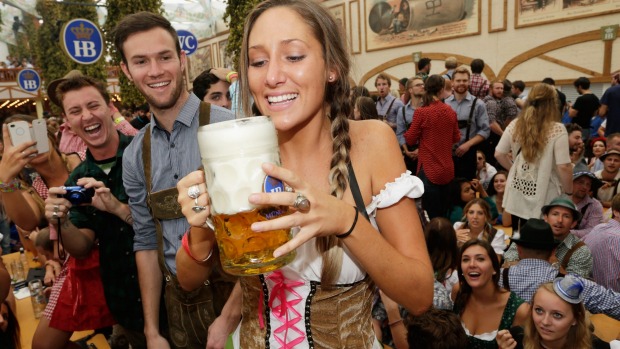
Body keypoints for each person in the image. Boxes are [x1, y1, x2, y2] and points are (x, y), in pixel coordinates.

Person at [174, 1, 434, 347]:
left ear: (332, 67)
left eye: (293, 56)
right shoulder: (235, 150)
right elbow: (188, 281)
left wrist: (347, 221)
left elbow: (419, 296)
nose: (271, 77)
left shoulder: (371, 142)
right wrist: (201, 229)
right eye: (259, 61)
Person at [113, 11, 237, 348]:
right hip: (180, 307)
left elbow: (264, 226)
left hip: (240, 299)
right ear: (126, 71)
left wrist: (229, 317)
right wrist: (153, 331)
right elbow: (145, 242)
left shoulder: (230, 127)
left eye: (164, 57)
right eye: (140, 61)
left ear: (182, 60)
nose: (155, 71)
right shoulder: (135, 155)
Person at [44, 74, 148, 348]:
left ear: (109, 108)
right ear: (68, 123)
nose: (87, 116)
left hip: (175, 300)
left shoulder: (147, 154)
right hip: (125, 307)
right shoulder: (78, 179)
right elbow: (81, 247)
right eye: (76, 111)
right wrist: (62, 220)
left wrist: (116, 207)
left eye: (93, 105)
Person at [498, 218, 620, 320]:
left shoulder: (496, 278)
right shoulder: (570, 284)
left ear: (518, 249)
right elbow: (615, 305)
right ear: (553, 251)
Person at [495, 83, 573, 233]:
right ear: (552, 104)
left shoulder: (515, 124)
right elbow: (564, 166)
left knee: (519, 236)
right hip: (545, 192)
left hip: (517, 190)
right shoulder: (557, 129)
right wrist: (569, 193)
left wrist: (513, 169)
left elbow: (499, 153)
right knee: (542, 240)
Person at [453, 240, 529, 349]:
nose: (472, 264)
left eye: (480, 259)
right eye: (465, 259)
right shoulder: (458, 292)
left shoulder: (520, 310)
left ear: (494, 269)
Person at [405, 74, 461, 219]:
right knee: (444, 215)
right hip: (448, 169)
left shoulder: (421, 112)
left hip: (429, 170)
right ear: (442, 90)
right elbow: (456, 138)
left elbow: (410, 139)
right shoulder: (450, 111)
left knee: (431, 217)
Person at [503, 197, 593, 278]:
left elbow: (576, 287)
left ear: (573, 223)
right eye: (555, 214)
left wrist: (555, 263)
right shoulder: (528, 234)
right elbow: (508, 263)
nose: (559, 220)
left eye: (566, 216)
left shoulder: (581, 251)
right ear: (545, 217)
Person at [495, 276, 594, 349]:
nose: (545, 322)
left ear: (575, 319)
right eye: (539, 310)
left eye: (557, 315)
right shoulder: (515, 339)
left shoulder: (594, 345)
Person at [445, 66, 491, 180]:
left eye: (465, 80)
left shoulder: (479, 104)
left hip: (469, 154)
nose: (462, 83)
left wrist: (468, 145)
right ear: (452, 83)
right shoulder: (444, 104)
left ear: (469, 82)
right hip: (447, 155)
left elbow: (485, 130)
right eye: (458, 80)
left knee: (469, 188)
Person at [582, 193, 620, 292]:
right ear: (616, 213)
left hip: (586, 291)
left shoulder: (599, 227)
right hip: (610, 299)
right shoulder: (617, 237)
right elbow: (613, 281)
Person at [396, 76, 424, 174]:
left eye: (422, 84)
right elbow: (400, 133)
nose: (422, 86)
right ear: (410, 90)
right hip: (409, 153)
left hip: (426, 154)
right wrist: (406, 150)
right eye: (418, 85)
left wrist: (420, 150)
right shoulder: (402, 110)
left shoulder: (428, 108)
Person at [569, 166, 603, 238]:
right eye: (581, 182)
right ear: (570, 182)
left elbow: (592, 230)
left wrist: (567, 233)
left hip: (579, 245)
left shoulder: (595, 205)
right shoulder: (558, 198)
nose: (585, 187)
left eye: (588, 184)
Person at [599, 70, 620, 136]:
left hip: (614, 130)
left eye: (612, 79)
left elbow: (602, 113)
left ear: (616, 80)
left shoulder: (610, 91)